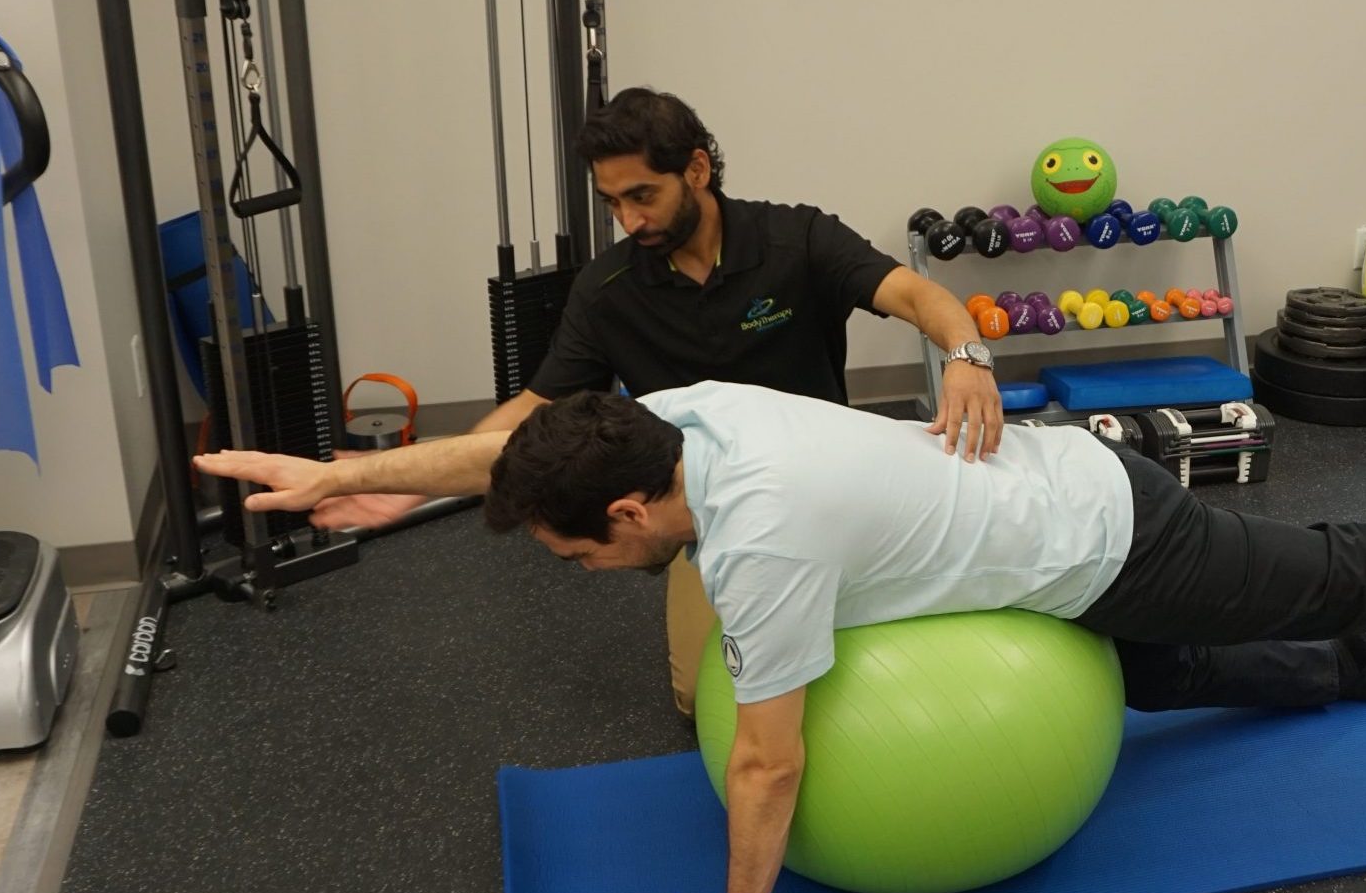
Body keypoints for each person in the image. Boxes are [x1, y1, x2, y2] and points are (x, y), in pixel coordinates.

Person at [194, 382, 1366, 893]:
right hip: (1049, 498)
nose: (577, 571)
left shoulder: (759, 550)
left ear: (637, 514)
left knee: (1343, 558)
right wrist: (344, 472)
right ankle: (1333, 671)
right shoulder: (670, 427)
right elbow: (505, 444)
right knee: (1153, 684)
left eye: (577, 555)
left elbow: (769, 764)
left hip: (1105, 536)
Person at [310, 87, 1003, 717]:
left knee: (875, 669)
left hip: (827, 485)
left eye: (641, 195)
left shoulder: (797, 239)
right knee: (701, 701)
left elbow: (913, 293)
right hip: (700, 506)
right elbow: (533, 407)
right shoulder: (608, 290)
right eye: (612, 203)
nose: (628, 219)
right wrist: (413, 481)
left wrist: (966, 356)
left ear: (696, 170)